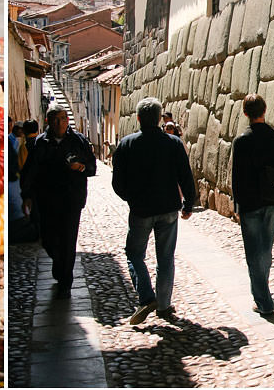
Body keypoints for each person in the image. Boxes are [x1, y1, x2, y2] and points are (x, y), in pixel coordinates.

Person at [111, 96, 196, 324]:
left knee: (134, 253)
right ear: (159, 119)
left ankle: (147, 297)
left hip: (141, 210)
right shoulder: (173, 144)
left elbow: (117, 182)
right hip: (168, 209)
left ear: (138, 118)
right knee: (166, 257)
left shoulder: (127, 144)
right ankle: (164, 305)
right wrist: (189, 204)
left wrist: (131, 198)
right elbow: (186, 177)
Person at [231, 93, 274, 317]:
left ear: (246, 113)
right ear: (264, 111)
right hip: (271, 200)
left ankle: (263, 300)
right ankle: (263, 289)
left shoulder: (242, 141)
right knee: (265, 248)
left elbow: (237, 177)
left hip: (250, 202)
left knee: (253, 251)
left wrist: (237, 205)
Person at [24, 108, 95, 291]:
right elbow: (30, 172)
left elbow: (92, 168)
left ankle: (65, 281)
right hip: (47, 199)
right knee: (48, 239)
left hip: (72, 199)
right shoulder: (40, 143)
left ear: (67, 120)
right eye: (56, 120)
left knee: (68, 240)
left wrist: (80, 167)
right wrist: (27, 196)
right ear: (48, 121)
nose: (60, 123)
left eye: (63, 119)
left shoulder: (78, 141)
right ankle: (59, 264)